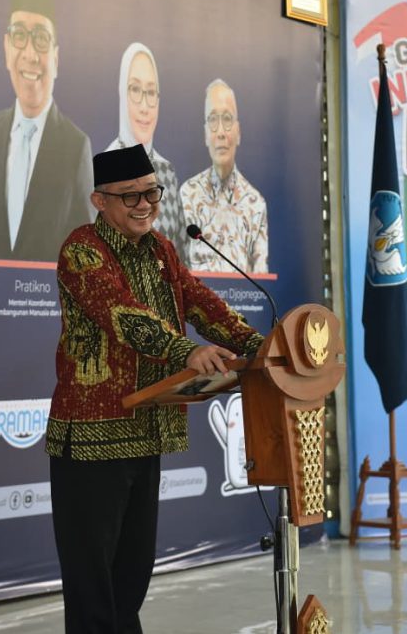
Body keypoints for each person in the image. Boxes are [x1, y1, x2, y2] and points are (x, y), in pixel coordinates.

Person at [46, 144, 264, 633]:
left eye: (151, 192)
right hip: (92, 439)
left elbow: (202, 304)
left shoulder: (163, 251)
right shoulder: (83, 250)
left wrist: (261, 345)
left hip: (147, 431)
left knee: (131, 582)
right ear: (99, 201)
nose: (145, 204)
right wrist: (186, 353)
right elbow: (124, 316)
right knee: (92, 589)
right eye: (131, 197)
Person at [0, 0, 93, 262]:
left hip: (46, 308)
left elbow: (85, 253)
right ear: (6, 49)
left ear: (56, 59)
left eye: (41, 39)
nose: (30, 54)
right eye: (19, 35)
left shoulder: (75, 146)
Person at [104, 43, 190, 264]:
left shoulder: (167, 171)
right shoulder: (106, 167)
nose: (145, 106)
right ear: (122, 93)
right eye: (135, 90)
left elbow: (181, 256)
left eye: (151, 93)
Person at [181, 79, 269, 273]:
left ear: (238, 133)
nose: (220, 132)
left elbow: (261, 279)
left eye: (227, 119)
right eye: (213, 119)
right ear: (205, 134)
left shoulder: (255, 204)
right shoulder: (187, 195)